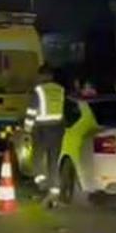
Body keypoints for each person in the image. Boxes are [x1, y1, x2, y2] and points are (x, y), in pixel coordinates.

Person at [28, 66, 66, 205]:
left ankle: (42, 184)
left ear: (43, 76)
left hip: (42, 129)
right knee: (53, 160)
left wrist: (27, 128)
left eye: (39, 76)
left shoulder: (39, 90)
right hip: (58, 128)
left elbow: (32, 111)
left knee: (37, 157)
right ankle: (54, 190)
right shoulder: (60, 89)